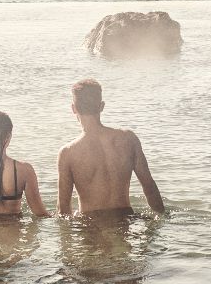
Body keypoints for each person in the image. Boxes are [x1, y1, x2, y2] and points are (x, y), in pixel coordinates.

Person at [57, 79, 164, 217]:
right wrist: (162, 218)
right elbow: (149, 187)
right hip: (125, 218)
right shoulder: (128, 139)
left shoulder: (68, 153)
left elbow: (63, 210)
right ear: (101, 106)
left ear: (73, 109)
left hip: (91, 225)